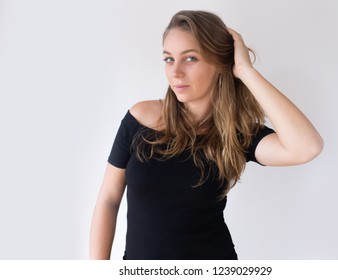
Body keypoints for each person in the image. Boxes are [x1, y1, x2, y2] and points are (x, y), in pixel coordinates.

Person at [89, 10, 323, 260]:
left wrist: (246, 71)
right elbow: (109, 199)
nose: (176, 72)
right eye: (169, 59)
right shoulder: (140, 117)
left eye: (190, 59)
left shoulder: (236, 133)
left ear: (221, 64)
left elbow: (306, 147)